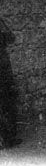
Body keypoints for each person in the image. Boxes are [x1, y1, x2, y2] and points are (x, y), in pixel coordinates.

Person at [0, 17, 19, 148]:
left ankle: (6, 138)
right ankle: (7, 139)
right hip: (3, 69)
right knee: (7, 103)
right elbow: (11, 38)